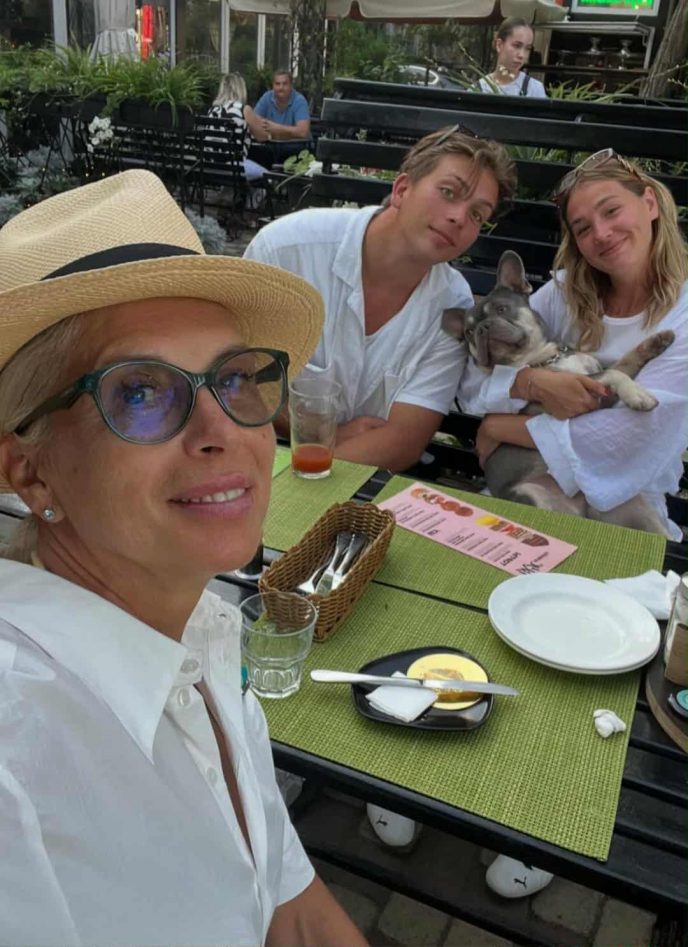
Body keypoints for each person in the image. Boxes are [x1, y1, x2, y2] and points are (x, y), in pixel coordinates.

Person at [0, 169, 368, 947]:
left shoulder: (203, 627)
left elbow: (288, 902)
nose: (221, 430)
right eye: (139, 391)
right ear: (30, 473)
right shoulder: (17, 767)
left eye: (234, 378)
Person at [244, 125, 517, 472]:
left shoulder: (453, 306)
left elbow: (402, 440)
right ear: (402, 189)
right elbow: (235, 379)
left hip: (348, 478)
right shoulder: (288, 251)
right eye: (448, 192)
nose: (459, 217)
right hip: (257, 454)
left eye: (478, 214)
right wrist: (321, 435)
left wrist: (312, 466)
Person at [459, 148, 688, 543]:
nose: (601, 233)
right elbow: (472, 384)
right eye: (582, 228)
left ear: (650, 203)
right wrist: (530, 383)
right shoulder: (564, 293)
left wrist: (502, 426)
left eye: (611, 211)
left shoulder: (682, 315)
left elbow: (628, 437)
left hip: (627, 497)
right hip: (531, 486)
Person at [206, 71, 270, 182]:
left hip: (211, 166)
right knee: (269, 177)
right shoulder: (244, 109)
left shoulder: (212, 110)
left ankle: (230, 192)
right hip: (235, 167)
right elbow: (261, 137)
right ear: (241, 89)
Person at [478, 17, 547, 98]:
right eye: (517, 46)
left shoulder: (534, 89)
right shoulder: (478, 89)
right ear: (499, 45)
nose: (522, 55)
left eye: (528, 48)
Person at [253, 70, 312, 163]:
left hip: (295, 151)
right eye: (277, 84)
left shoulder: (299, 101)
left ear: (291, 86)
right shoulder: (266, 98)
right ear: (273, 86)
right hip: (270, 148)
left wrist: (278, 129)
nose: (281, 87)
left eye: (285, 84)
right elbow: (253, 121)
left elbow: (303, 132)